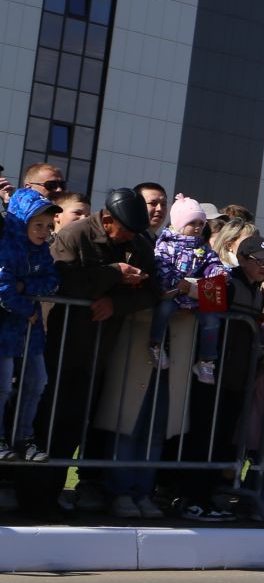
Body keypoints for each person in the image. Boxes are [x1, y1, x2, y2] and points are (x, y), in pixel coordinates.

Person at [52, 188, 164, 519]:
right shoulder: (75, 235)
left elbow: (153, 291)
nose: (130, 237)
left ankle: (74, 491)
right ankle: (40, 493)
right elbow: (65, 283)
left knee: (82, 427)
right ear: (106, 220)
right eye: (126, 230)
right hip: (61, 347)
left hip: (102, 352)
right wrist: (115, 273)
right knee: (53, 426)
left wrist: (117, 303)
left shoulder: (138, 243)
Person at [170, 231, 264, 522]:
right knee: (204, 437)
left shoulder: (258, 291)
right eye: (259, 260)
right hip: (212, 376)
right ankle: (192, 499)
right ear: (242, 259)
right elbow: (196, 291)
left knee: (223, 440)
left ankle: (210, 496)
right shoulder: (228, 282)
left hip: (238, 379)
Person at [0, 197, 61, 466]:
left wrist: (25, 288)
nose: (44, 232)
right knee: (2, 386)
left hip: (30, 330)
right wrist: (28, 308)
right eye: (37, 225)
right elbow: (3, 289)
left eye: (48, 226)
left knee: (38, 381)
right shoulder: (7, 249)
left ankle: (23, 436)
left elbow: (52, 281)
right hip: (7, 328)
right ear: (21, 224)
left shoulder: (43, 252)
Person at [149, 195, 224, 385]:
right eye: (192, 222)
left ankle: (206, 360)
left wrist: (221, 273)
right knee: (164, 309)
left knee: (212, 318)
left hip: (193, 294)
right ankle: (155, 344)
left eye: (201, 223)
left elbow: (212, 264)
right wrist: (176, 283)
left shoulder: (203, 248)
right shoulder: (165, 244)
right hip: (172, 293)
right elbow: (161, 267)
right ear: (179, 223)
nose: (198, 227)